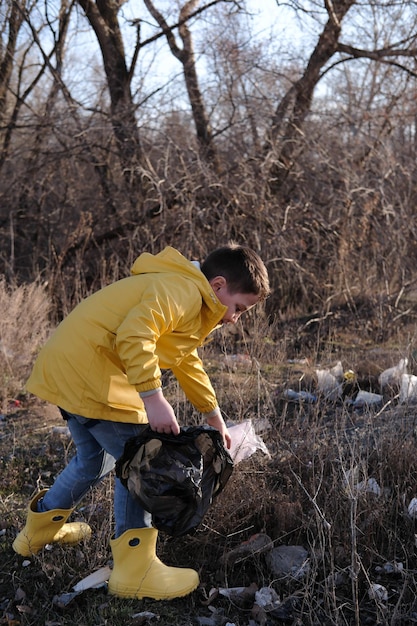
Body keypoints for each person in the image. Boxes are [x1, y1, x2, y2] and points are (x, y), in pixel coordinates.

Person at [13, 244, 270, 600]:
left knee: (94, 459)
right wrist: (154, 398)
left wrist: (215, 417)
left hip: (71, 370)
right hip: (92, 376)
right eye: (239, 308)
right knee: (142, 462)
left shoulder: (187, 292)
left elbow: (184, 358)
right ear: (219, 285)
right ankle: (136, 571)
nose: (235, 318)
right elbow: (135, 335)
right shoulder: (180, 292)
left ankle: (37, 531)